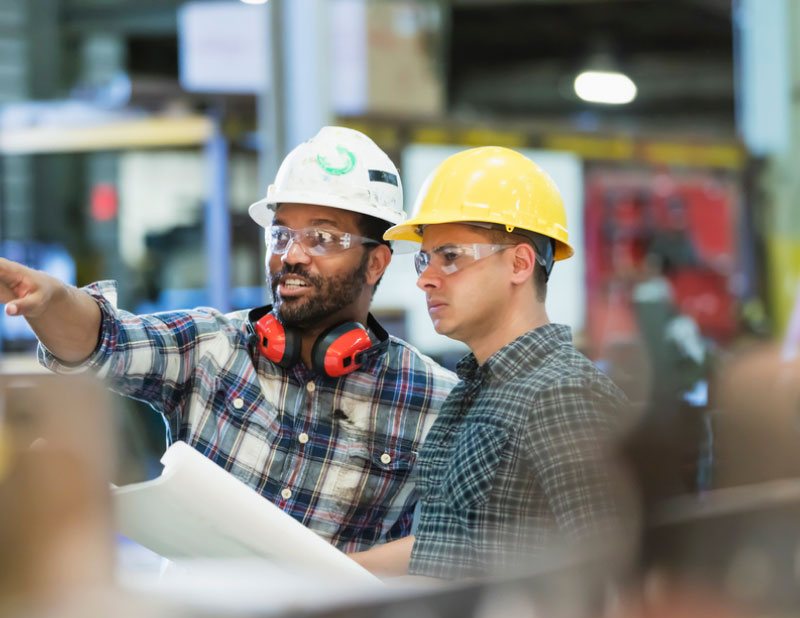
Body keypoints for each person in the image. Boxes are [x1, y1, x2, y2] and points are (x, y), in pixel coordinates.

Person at [0, 126, 457, 552]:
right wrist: (50, 299)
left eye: (322, 236)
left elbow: (453, 548)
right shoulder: (212, 348)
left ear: (376, 263)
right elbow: (104, 341)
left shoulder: (434, 402)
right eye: (280, 235)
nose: (291, 255)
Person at [352, 146, 634, 579]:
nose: (425, 278)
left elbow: (618, 568)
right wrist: (317, 570)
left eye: (451, 256)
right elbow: (444, 548)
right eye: (426, 258)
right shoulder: (474, 392)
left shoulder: (562, 396)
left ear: (519, 263)